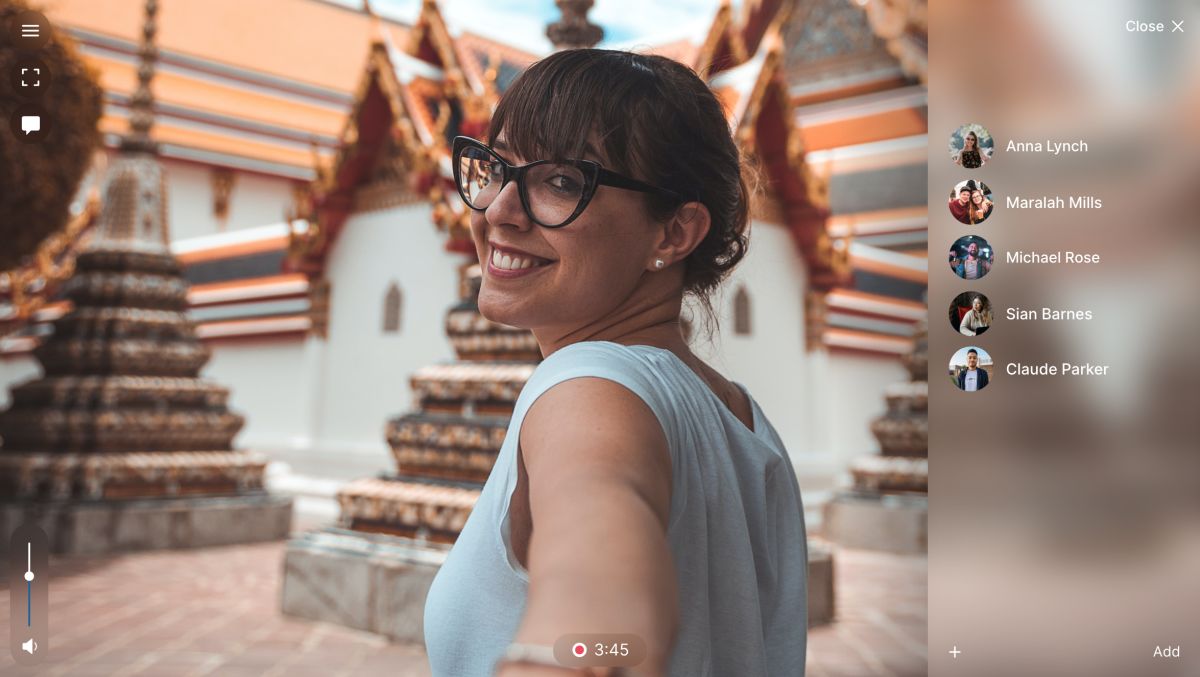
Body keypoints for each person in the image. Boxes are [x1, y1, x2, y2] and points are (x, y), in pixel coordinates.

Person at [424, 49, 808, 677]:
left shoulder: (589, 386)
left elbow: (597, 551)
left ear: (673, 233)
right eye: (497, 167)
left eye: (561, 183)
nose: (498, 210)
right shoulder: (744, 421)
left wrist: (574, 653)